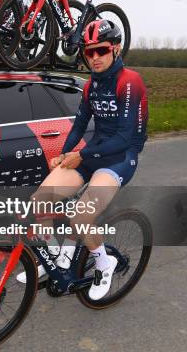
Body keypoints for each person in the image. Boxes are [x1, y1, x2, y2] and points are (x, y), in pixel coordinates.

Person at [17, 20, 149, 301]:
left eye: (100, 50)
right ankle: (54, 257)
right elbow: (79, 126)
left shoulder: (129, 81)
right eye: (88, 53)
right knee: (40, 200)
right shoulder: (91, 85)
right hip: (94, 151)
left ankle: (105, 263)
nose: (94, 58)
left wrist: (81, 155)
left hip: (120, 159)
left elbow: (125, 138)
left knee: (81, 216)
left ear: (114, 49)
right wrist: (65, 153)